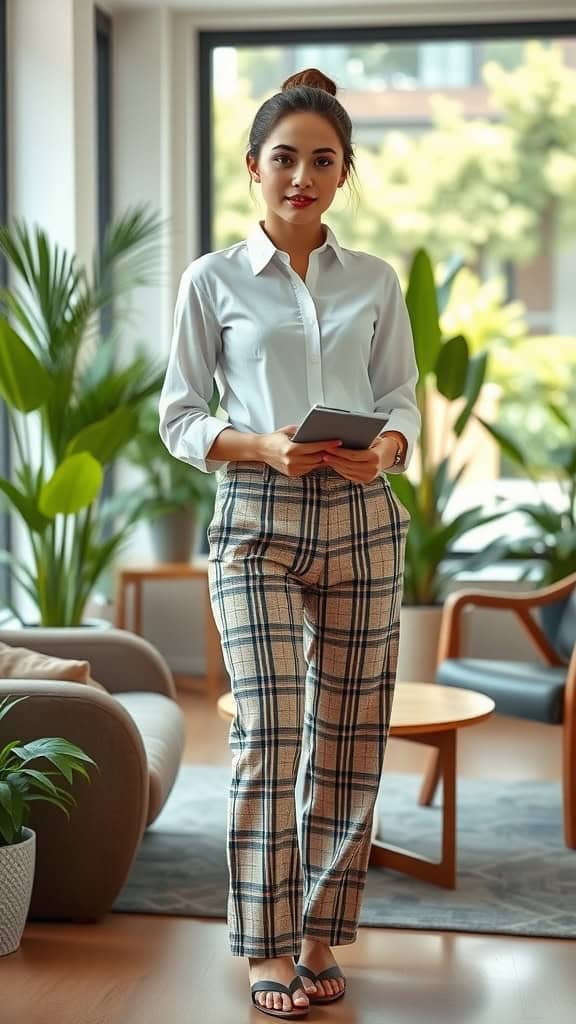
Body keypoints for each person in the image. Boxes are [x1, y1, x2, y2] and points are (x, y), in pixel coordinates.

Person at [159, 67, 421, 1020]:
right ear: (253, 166)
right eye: (284, 158)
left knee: (349, 735)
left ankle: (317, 937)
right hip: (255, 520)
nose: (301, 176)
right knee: (270, 726)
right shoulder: (212, 279)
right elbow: (181, 415)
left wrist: (386, 446)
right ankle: (267, 946)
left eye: (322, 160)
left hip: (362, 519)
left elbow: (400, 400)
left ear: (344, 172)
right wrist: (262, 444)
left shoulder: (376, 281)